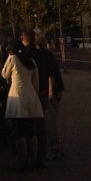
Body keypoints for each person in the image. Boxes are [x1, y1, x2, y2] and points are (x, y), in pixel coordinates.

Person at [0, 38, 43, 170]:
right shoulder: (31, 62)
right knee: (31, 130)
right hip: (31, 96)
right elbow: (36, 82)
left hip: (18, 97)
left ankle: (22, 159)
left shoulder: (13, 59)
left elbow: (4, 74)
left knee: (20, 130)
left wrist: (8, 58)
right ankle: (33, 158)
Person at [30, 29, 65, 161]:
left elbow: (51, 74)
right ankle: (57, 147)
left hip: (49, 92)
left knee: (50, 122)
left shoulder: (41, 55)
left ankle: (55, 148)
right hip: (53, 91)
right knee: (52, 121)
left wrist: (51, 92)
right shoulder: (48, 54)